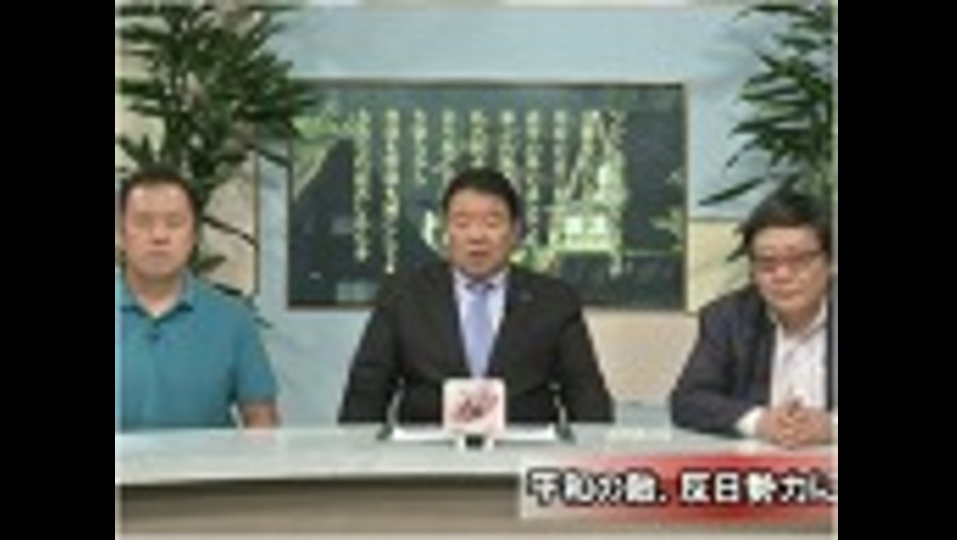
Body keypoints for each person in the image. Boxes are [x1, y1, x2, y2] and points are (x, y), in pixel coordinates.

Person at [338, 167, 613, 425]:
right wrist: (357, 454)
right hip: (428, 451)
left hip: (523, 450)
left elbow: (586, 395)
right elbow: (366, 394)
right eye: (462, 223)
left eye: (492, 223)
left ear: (515, 232)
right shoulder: (403, 296)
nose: (477, 236)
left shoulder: (554, 301)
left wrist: (596, 454)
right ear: (445, 230)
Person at [115, 165, 279, 431]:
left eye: (174, 223)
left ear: (194, 236)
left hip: (210, 460)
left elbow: (261, 420)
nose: (159, 236)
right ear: (119, 235)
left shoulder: (233, 319)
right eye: (143, 223)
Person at [669, 190, 836, 448]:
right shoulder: (727, 319)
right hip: (758, 466)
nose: (782, 275)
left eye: (799, 260)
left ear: (831, 263)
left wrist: (830, 427)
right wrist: (760, 422)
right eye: (767, 263)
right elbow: (689, 400)